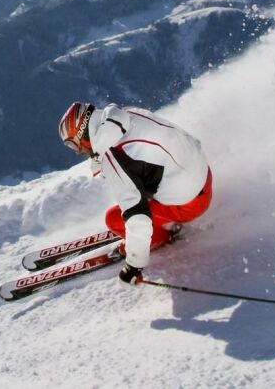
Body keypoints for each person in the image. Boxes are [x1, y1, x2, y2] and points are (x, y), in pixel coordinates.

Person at [58, 101, 213, 286]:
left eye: (74, 145)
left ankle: (162, 237)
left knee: (114, 218)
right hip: (204, 176)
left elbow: (137, 215)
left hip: (189, 204)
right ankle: (162, 218)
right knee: (141, 177)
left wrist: (133, 265)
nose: (78, 152)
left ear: (83, 134)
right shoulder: (127, 114)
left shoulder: (112, 156)